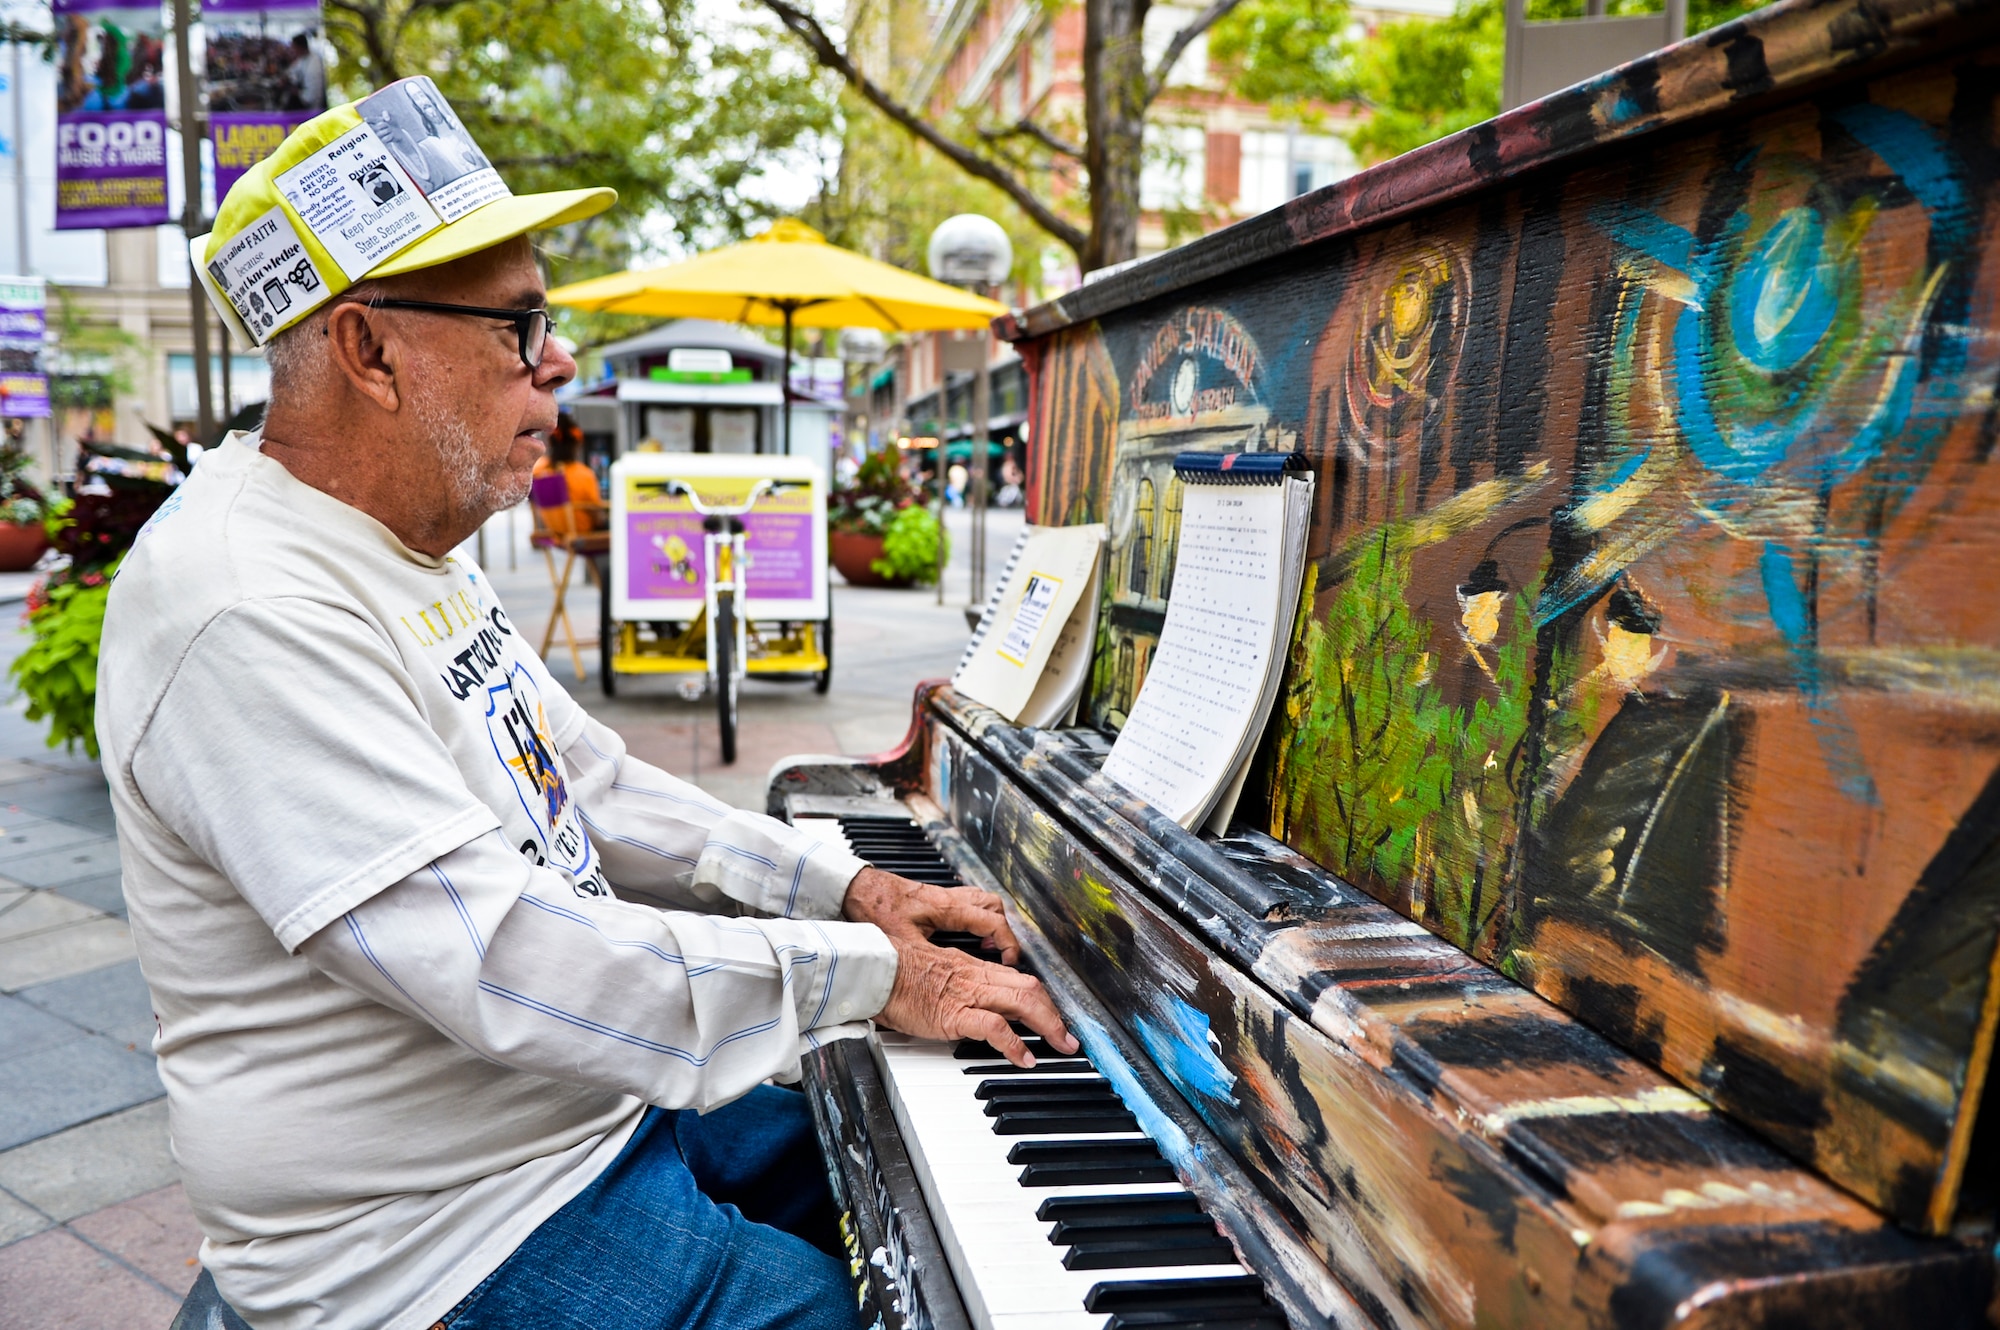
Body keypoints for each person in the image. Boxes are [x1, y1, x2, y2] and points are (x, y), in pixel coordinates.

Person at [98, 79, 1074, 1330]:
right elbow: (495, 957)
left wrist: (850, 892)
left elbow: (588, 782)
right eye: (518, 322)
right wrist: (864, 972)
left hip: (575, 1121)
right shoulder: (242, 602)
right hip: (434, 1239)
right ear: (369, 349)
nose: (556, 358)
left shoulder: (402, 548)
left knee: (906, 1150)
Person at [532, 412, 600, 537]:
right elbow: (596, 515)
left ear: (550, 443)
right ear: (577, 444)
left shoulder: (539, 470)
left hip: (554, 531)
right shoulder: (584, 474)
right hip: (582, 534)